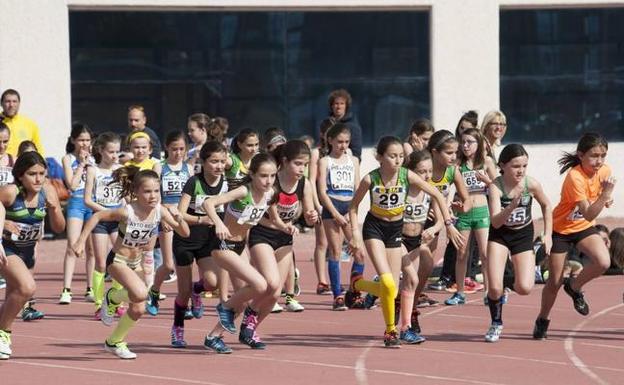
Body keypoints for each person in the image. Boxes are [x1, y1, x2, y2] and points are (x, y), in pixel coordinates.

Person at [348, 136, 464, 347]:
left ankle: (357, 283)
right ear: (379, 157)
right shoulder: (370, 179)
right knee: (390, 283)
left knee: (391, 289)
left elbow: (437, 195)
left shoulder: (407, 176)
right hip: (374, 228)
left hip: (395, 232)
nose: (398, 160)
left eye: (401, 156)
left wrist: (444, 225)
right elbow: (353, 207)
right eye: (393, 156)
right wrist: (355, 234)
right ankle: (391, 331)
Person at [72, 166, 189, 359]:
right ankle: (112, 297)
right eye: (147, 191)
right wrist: (79, 241)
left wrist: (178, 217)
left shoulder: (160, 211)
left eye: (156, 191)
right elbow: (98, 216)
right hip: (118, 261)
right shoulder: (127, 212)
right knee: (141, 293)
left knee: (139, 307)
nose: (153, 196)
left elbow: (185, 232)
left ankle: (114, 341)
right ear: (136, 192)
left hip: (136, 263)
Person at [533, 133, 615, 340]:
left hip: (584, 227)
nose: (599, 161)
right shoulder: (574, 177)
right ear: (580, 155)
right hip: (561, 230)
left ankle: (575, 286)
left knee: (604, 262)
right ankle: (543, 319)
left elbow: (591, 209)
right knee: (554, 281)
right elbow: (588, 211)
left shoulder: (604, 170)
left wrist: (605, 199)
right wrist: (605, 196)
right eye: (594, 156)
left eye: (603, 156)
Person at [203, 153, 276, 352]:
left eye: (272, 176)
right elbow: (208, 203)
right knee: (261, 284)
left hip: (240, 247)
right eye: (263, 176)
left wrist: (286, 226)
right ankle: (224, 306)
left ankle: (213, 337)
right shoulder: (244, 191)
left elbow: (262, 220)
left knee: (243, 300)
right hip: (222, 245)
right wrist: (218, 223)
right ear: (252, 174)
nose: (268, 181)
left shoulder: (269, 194)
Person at [244, 141, 317, 335]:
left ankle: (250, 328)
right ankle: (247, 309)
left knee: (275, 294)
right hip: (262, 234)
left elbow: (308, 214)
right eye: (298, 164)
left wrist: (311, 216)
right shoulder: (271, 182)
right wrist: (282, 226)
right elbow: (259, 216)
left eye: (305, 165)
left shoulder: (304, 184)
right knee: (271, 283)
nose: (302, 169)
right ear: (284, 161)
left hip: (285, 239)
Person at [0, 152, 66, 360]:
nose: (38, 179)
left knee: (13, 298)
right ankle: (3, 334)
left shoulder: (48, 192)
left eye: (42, 174)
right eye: (32, 174)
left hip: (28, 251)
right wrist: (2, 224)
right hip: (7, 250)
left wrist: (55, 209)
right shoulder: (11, 192)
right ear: (20, 175)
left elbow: (59, 228)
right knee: (27, 288)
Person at [484, 144, 552, 342]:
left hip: (523, 235)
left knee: (524, 288)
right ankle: (496, 323)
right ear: (503, 166)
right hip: (500, 235)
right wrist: (511, 206)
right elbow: (496, 221)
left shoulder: (531, 184)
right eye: (516, 166)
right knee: (494, 289)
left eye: (524, 166)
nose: (521, 171)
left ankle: (504, 282)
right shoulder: (495, 187)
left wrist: (548, 234)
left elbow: (547, 205)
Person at [167, 141, 229, 349]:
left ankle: (197, 290)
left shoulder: (226, 183)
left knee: (212, 282)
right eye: (214, 162)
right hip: (186, 238)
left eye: (222, 161)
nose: (218, 166)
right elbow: (181, 212)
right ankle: (177, 328)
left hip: (208, 240)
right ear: (203, 162)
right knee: (182, 293)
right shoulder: (194, 182)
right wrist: (202, 220)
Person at [445, 128, 497, 306]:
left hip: (482, 212)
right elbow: (450, 189)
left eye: (470, 142)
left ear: (479, 143)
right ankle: (459, 292)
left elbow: (500, 188)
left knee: (485, 254)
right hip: (463, 214)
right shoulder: (457, 164)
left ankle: (489, 293)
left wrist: (488, 182)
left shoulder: (487, 162)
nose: (465, 145)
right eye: (463, 142)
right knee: (461, 254)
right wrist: (449, 206)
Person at [317, 123, 365, 310]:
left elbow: (357, 189)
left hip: (349, 206)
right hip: (332, 207)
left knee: (359, 252)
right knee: (335, 251)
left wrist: (352, 214)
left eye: (346, 142)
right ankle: (338, 295)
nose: (343, 146)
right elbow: (322, 191)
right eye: (339, 142)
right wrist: (336, 214)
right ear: (330, 141)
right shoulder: (325, 161)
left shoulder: (353, 161)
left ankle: (354, 293)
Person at [146, 131, 193, 316]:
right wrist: (162, 216)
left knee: (186, 263)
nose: (178, 153)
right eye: (174, 149)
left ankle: (186, 303)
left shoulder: (188, 169)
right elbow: (154, 196)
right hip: (166, 218)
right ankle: (155, 291)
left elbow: (191, 196)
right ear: (167, 148)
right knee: (168, 265)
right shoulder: (160, 167)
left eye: (182, 149)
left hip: (183, 219)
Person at [83, 132, 124, 319]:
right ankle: (100, 304)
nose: (115, 155)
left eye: (117, 151)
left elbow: (125, 197)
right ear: (101, 150)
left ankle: (116, 301)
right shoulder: (93, 170)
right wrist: (105, 212)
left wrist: (122, 212)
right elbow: (87, 200)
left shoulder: (121, 170)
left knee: (118, 262)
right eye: (111, 151)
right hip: (100, 220)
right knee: (101, 263)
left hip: (116, 220)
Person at [59, 123, 96, 304]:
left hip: (93, 204)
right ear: (73, 140)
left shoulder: (96, 157)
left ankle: (90, 288)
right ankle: (66, 289)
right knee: (73, 245)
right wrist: (82, 164)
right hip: (76, 203)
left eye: (88, 140)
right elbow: (71, 185)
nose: (84, 143)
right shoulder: (68, 158)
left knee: (91, 249)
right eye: (81, 140)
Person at [319, 89, 363, 160]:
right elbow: (322, 144)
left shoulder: (353, 126)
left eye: (342, 103)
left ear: (346, 106)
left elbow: (356, 152)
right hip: (326, 161)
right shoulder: (325, 123)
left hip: (345, 163)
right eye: (336, 103)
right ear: (332, 106)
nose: (339, 107)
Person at [1, 89, 45, 157]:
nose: (11, 105)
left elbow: (39, 149)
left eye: (14, 101)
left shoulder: (30, 124)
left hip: (23, 165)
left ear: (19, 103)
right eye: (7, 101)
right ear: (1, 103)